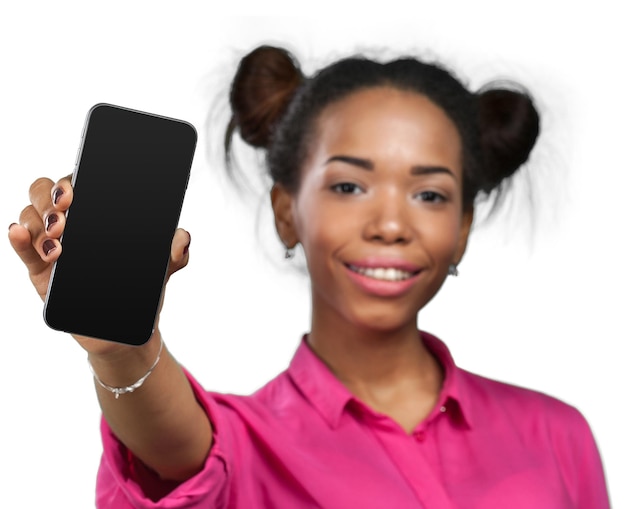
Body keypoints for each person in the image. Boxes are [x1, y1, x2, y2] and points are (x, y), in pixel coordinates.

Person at [8, 45, 610, 508]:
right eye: (349, 186)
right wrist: (123, 351)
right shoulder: (238, 447)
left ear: (463, 227)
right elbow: (173, 449)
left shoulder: (558, 436)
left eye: (430, 193)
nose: (391, 223)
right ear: (286, 211)